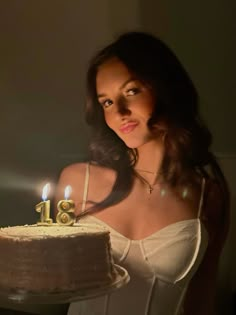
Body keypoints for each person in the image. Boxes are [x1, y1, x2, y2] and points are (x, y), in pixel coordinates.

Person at [55, 31, 230, 315]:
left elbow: (201, 300)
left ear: (165, 87)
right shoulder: (77, 181)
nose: (119, 112)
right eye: (107, 102)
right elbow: (49, 279)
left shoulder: (207, 195)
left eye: (131, 91)